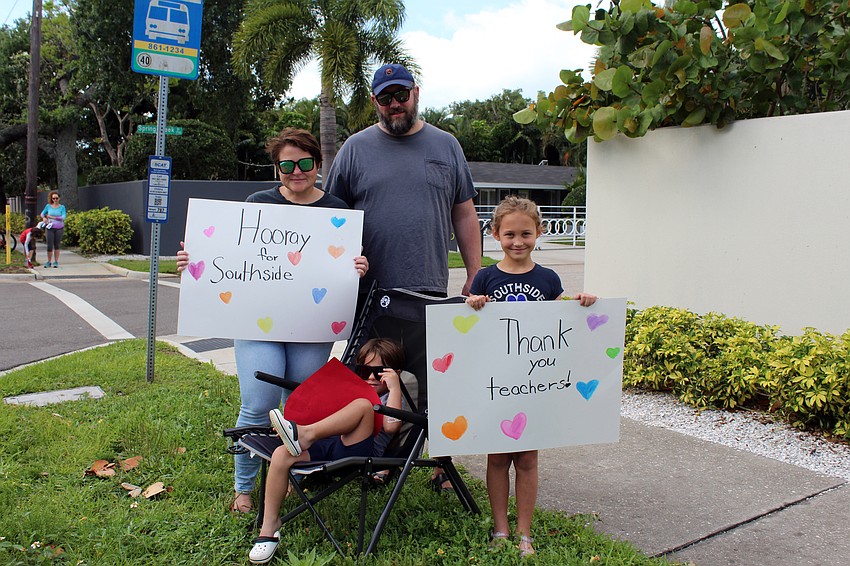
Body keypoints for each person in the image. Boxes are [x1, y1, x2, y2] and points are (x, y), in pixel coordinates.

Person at [176, 128, 368, 515]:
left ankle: (288, 476)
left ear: (318, 164)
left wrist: (358, 267)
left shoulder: (338, 210)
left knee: (299, 405)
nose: (296, 172)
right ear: (276, 167)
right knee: (258, 402)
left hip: (312, 324)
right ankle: (244, 488)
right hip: (256, 322)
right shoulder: (258, 204)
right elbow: (230, 256)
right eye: (286, 165)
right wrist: (192, 261)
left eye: (304, 163)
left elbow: (340, 266)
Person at [325, 63, 483, 491]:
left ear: (415, 92)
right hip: (371, 295)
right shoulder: (354, 150)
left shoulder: (446, 145)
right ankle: (379, 459)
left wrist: (475, 272)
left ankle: (442, 463)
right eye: (385, 98)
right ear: (374, 101)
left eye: (401, 94)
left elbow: (464, 212)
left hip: (429, 290)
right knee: (376, 382)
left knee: (437, 383)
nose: (395, 104)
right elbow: (331, 217)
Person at [465, 196, 597, 557]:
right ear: (495, 234)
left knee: (527, 458)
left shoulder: (548, 278)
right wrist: (474, 304)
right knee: (497, 457)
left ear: (539, 232)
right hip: (497, 382)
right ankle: (501, 529)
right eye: (509, 234)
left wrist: (583, 305)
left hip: (535, 383)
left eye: (526, 233)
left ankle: (524, 532)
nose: (518, 241)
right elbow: (470, 331)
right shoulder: (486, 277)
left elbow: (562, 323)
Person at [248, 338, 408, 565]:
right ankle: (269, 526)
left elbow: (391, 426)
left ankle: (303, 434)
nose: (372, 378)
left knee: (363, 405)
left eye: (380, 372)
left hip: (360, 452)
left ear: (395, 374)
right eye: (365, 371)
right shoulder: (352, 387)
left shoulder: (392, 397)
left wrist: (394, 387)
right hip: (329, 442)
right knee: (281, 454)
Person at [40, 191, 66, 268]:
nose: (55, 200)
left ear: (59, 198)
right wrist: (44, 218)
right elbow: (42, 213)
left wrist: (52, 217)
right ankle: (49, 261)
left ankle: (56, 261)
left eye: (56, 198)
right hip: (50, 228)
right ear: (51, 199)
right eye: (53, 198)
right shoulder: (48, 206)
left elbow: (63, 217)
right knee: (49, 245)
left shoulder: (62, 207)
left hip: (59, 228)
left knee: (57, 245)